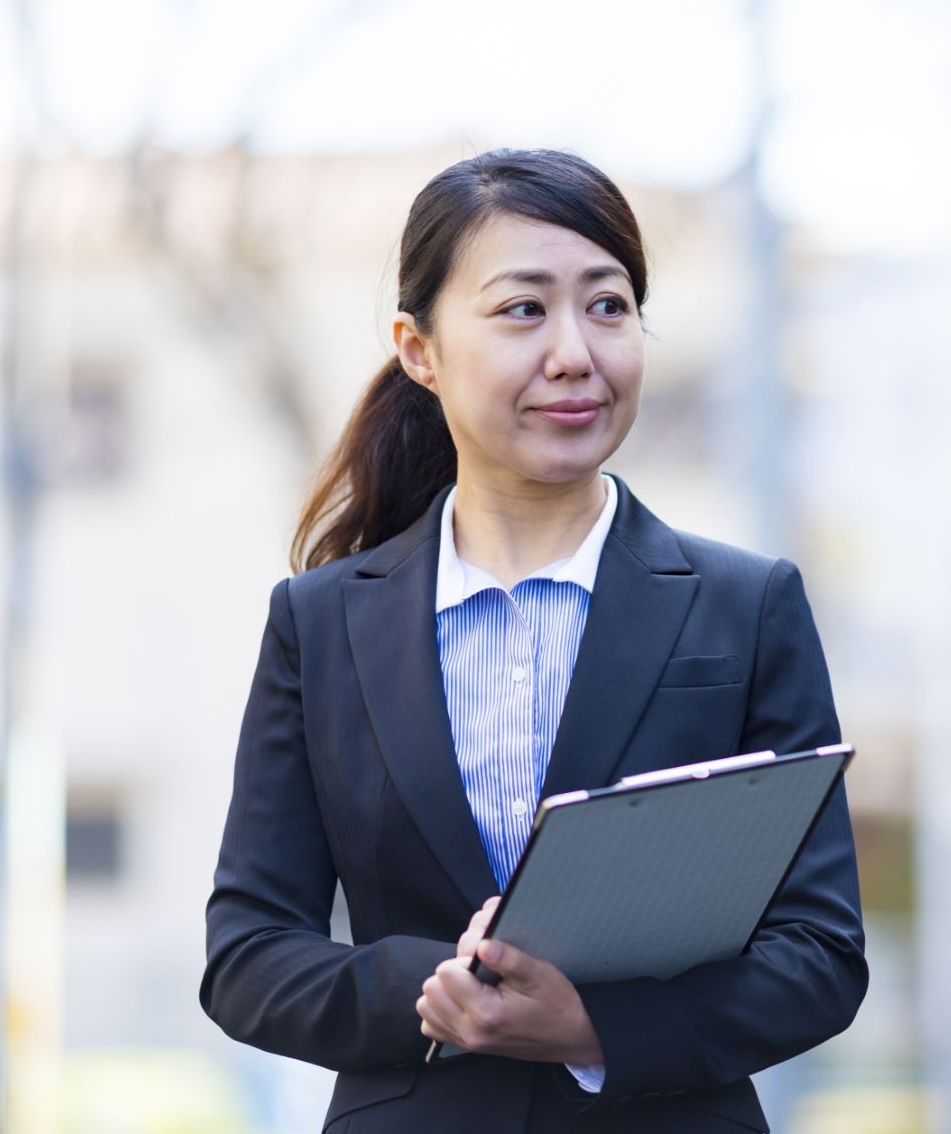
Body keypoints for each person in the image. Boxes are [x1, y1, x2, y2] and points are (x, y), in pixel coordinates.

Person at [199, 149, 868, 1134]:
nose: (573, 352)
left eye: (607, 306)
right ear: (418, 348)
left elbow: (819, 950)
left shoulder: (746, 604)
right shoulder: (322, 622)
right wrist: (436, 991)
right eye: (523, 310)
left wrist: (596, 1024)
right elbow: (248, 953)